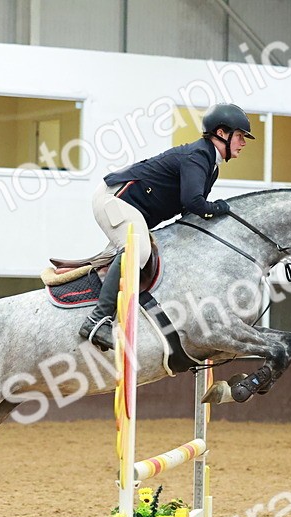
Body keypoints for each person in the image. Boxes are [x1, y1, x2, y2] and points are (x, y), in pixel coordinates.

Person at [79, 102, 254, 351]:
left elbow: (189, 214)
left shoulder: (211, 165)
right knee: (137, 251)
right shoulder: (199, 156)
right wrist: (220, 208)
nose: (243, 142)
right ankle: (98, 320)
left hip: (131, 206)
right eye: (240, 136)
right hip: (114, 198)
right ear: (222, 134)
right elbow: (194, 202)